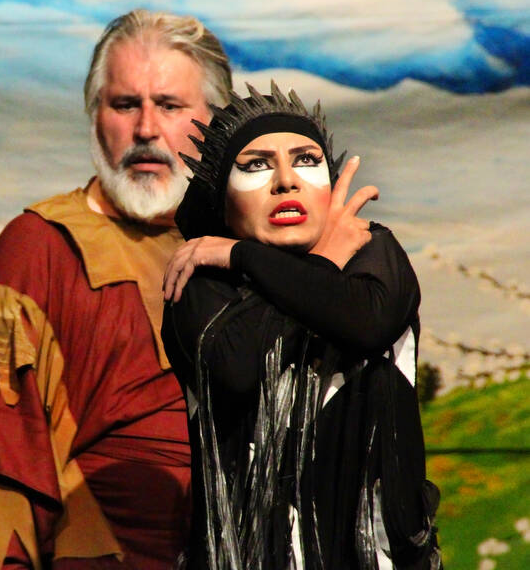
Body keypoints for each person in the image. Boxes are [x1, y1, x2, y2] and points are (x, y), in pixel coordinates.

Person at [0, 9, 233, 570]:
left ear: (216, 123)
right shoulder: (36, 252)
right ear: (95, 115)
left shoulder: (247, 255)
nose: (146, 129)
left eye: (169, 106)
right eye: (124, 104)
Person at [161, 82, 441, 569]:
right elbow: (238, 368)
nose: (286, 182)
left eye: (306, 160)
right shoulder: (201, 283)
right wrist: (315, 262)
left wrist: (250, 256)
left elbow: (366, 322)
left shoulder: (371, 250)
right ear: (221, 201)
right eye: (256, 165)